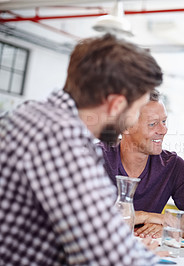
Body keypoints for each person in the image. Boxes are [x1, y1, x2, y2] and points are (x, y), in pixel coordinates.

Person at [0, 34, 164, 265]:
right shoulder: (61, 140)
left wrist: (131, 251)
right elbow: (106, 258)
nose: (132, 121)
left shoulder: (30, 113)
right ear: (116, 104)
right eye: (136, 110)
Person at [98, 90, 184, 239]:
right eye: (153, 124)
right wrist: (145, 216)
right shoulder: (95, 159)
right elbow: (81, 221)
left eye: (164, 121)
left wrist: (167, 228)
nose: (163, 130)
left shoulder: (173, 166)